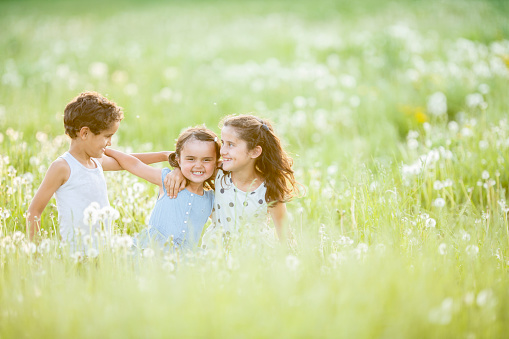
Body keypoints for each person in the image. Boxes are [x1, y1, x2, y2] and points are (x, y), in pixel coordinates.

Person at [26, 91, 170, 247]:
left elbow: (127, 161)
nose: (110, 143)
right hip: (75, 255)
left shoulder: (96, 161)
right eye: (107, 136)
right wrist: (35, 253)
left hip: (103, 252)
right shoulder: (62, 167)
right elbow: (34, 211)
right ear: (85, 133)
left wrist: (164, 156)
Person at [165, 114, 299, 244]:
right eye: (223, 143)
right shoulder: (218, 174)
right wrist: (178, 169)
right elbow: (191, 164)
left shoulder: (269, 187)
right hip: (217, 252)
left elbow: (284, 233)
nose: (222, 151)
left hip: (254, 255)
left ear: (254, 152)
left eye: (230, 144)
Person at [104, 126, 220, 251]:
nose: (198, 165)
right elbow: (135, 164)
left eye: (206, 160)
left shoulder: (212, 199)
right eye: (190, 159)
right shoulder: (167, 180)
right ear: (178, 160)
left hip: (184, 260)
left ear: (216, 163)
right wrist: (107, 151)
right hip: (150, 251)